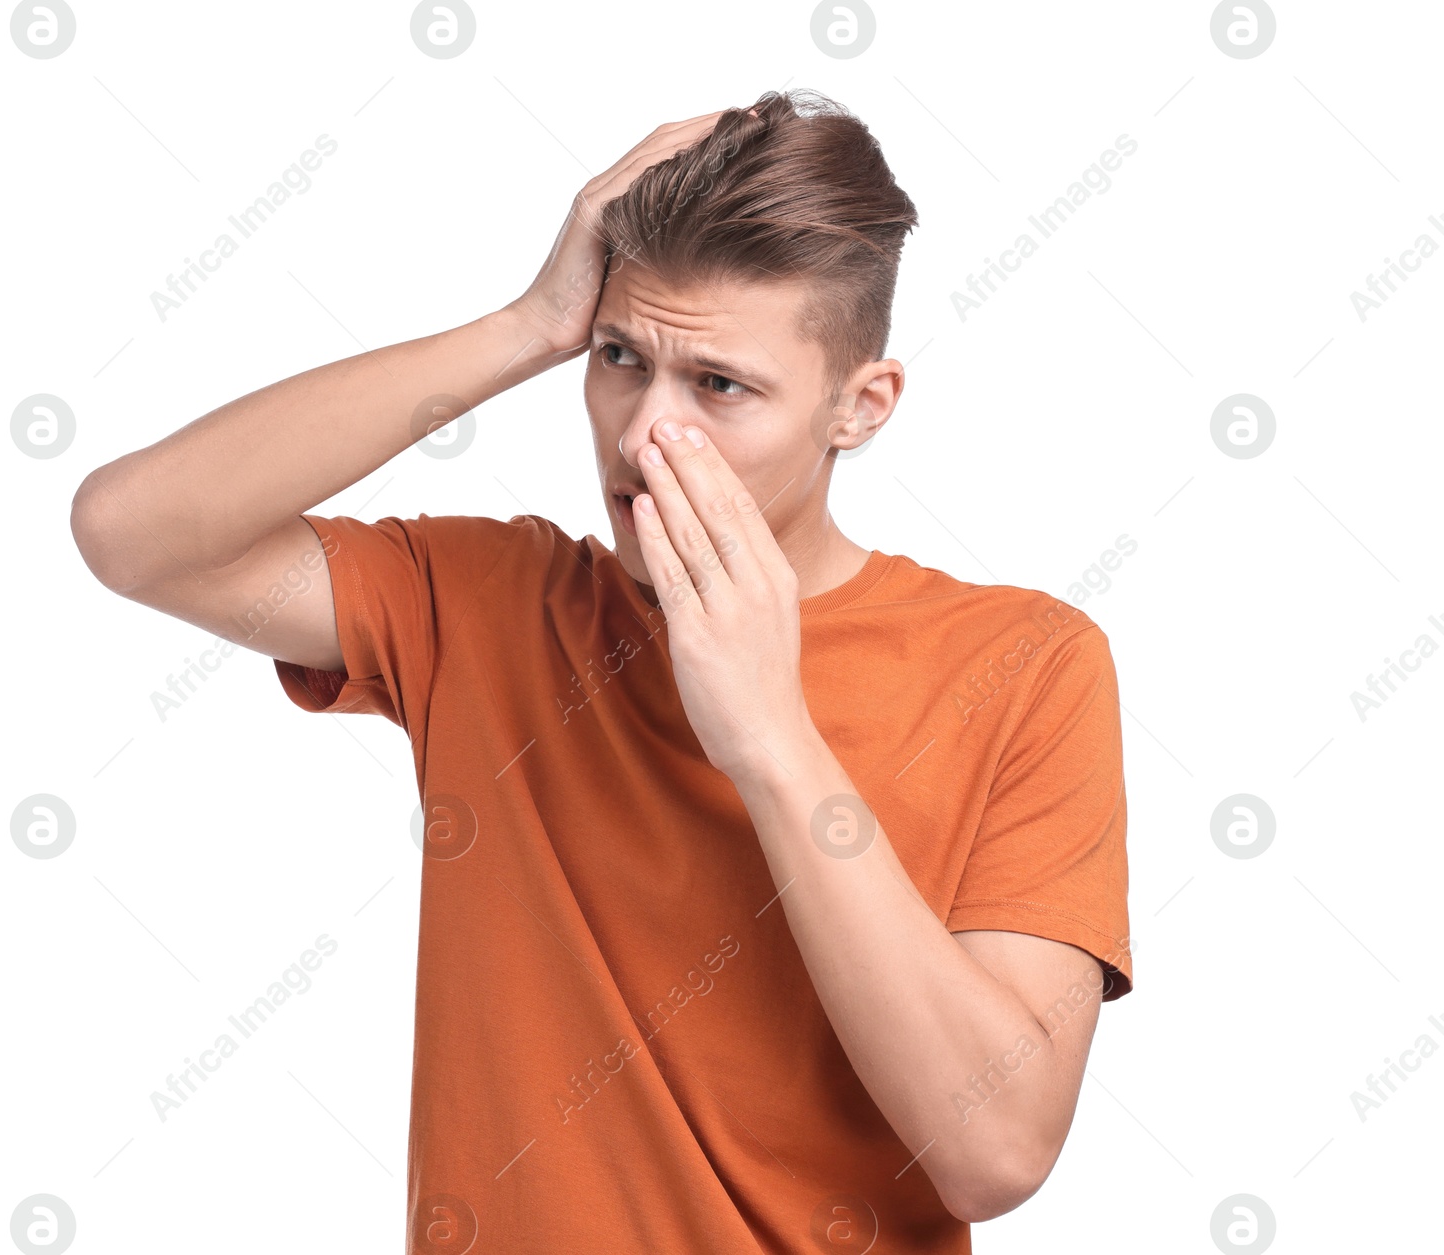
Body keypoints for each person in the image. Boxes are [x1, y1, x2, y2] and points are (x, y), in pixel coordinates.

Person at [72, 87, 1133, 1253]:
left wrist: (772, 742)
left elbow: (994, 1152)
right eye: (621, 358)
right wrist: (528, 325)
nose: (639, 438)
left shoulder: (1025, 664)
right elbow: (134, 532)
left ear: (858, 407)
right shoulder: (488, 604)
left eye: (718, 387)